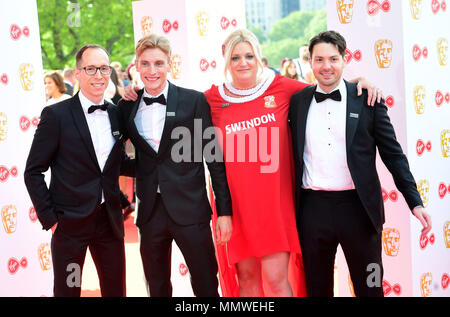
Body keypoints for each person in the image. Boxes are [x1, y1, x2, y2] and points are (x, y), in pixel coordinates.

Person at [123, 29, 382, 297]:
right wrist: (134, 92)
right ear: (226, 61)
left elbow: (325, 87)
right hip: (235, 208)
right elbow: (175, 118)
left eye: (249, 56)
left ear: (259, 58)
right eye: (235, 57)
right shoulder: (209, 99)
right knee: (246, 281)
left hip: (273, 205)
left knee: (275, 280)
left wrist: (360, 82)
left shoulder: (281, 88)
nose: (243, 62)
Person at [288, 30, 432, 297]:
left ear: (344, 59)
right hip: (312, 211)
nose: (326, 66)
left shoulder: (368, 99)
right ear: (310, 62)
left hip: (359, 211)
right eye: (319, 60)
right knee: (317, 290)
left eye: (333, 58)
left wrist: (415, 201)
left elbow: (393, 155)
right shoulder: (297, 101)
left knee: (371, 287)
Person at [117, 34, 232, 297]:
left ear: (170, 64)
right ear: (136, 66)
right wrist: (145, 172)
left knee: (204, 282)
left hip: (191, 210)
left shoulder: (193, 101)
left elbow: (213, 158)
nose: (152, 70)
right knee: (156, 287)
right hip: (149, 213)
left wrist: (224, 211)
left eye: (159, 63)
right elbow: (114, 155)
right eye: (145, 64)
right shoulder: (126, 107)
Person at [24, 44, 133, 297]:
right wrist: (51, 220)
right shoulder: (56, 115)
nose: (98, 75)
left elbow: (118, 164)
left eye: (104, 68)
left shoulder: (117, 114)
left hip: (109, 221)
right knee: (68, 292)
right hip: (69, 225)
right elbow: (33, 171)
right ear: (77, 74)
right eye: (91, 69)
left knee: (116, 291)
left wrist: (161, 163)